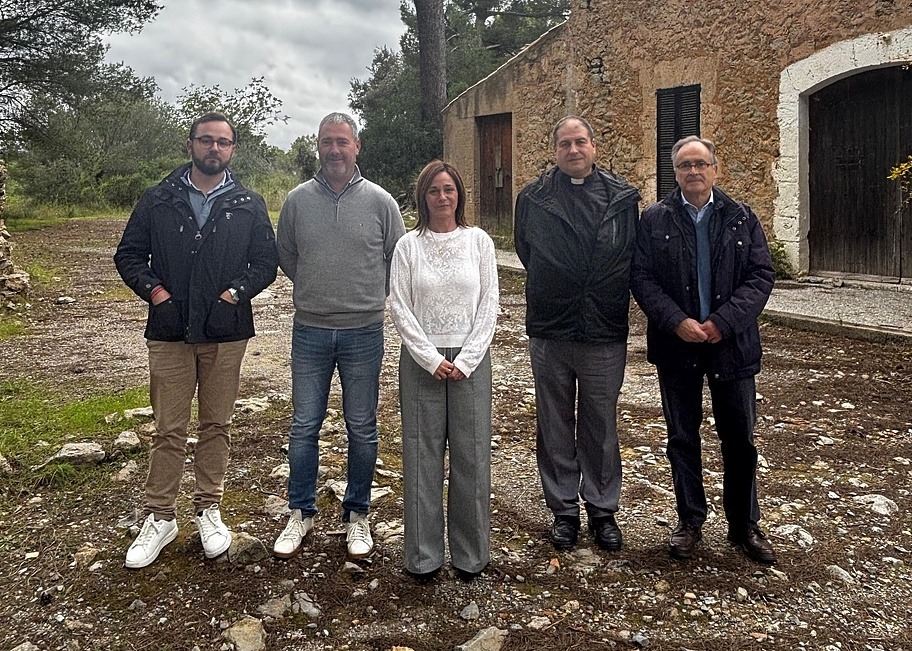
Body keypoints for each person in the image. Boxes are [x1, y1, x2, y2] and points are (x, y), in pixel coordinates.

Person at [114, 112, 279, 569]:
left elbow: (266, 261)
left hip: (226, 332)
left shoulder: (248, 202)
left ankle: (209, 508)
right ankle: (160, 516)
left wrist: (234, 294)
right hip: (169, 331)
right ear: (190, 145)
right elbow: (128, 255)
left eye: (223, 143)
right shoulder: (158, 199)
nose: (214, 149)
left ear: (232, 150)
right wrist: (157, 293)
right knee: (168, 429)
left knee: (216, 425)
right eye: (205, 141)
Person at [630, 135, 777, 564]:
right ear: (675, 173)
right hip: (678, 346)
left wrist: (722, 322)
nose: (692, 172)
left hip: (731, 346)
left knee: (740, 439)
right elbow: (642, 278)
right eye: (684, 166)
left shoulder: (741, 217)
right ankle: (690, 521)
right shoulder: (654, 219)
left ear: (714, 169)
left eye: (700, 164)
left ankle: (745, 525)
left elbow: (761, 276)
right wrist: (677, 321)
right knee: (681, 436)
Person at [273, 112, 405, 560]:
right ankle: (301, 512)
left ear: (356, 146)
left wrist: (366, 296)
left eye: (342, 141)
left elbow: (397, 260)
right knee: (304, 424)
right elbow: (287, 256)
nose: (334, 149)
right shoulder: (296, 201)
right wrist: (318, 290)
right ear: (318, 146)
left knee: (362, 427)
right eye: (327, 141)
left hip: (363, 332)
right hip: (309, 329)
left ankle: (358, 515)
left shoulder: (382, 202)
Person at [514, 116, 640, 552]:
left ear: (594, 146)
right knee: (553, 422)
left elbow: (629, 255)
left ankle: (603, 511)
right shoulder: (533, 198)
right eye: (565, 143)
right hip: (551, 328)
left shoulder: (623, 198)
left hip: (604, 329)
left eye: (580, 142)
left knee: (601, 423)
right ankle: (564, 511)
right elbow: (526, 251)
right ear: (555, 150)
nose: (573, 149)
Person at [390, 161, 499, 583]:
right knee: (422, 456)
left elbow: (489, 303)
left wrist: (468, 358)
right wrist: (431, 358)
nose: (442, 197)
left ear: (460, 195)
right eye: (434, 190)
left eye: (449, 189)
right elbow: (399, 305)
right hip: (422, 363)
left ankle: (471, 555)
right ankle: (423, 556)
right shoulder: (408, 246)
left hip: (471, 362)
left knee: (471, 456)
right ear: (423, 197)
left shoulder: (479, 242)